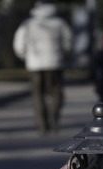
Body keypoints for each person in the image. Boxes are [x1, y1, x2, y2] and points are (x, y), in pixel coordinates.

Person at [13, 1, 73, 134]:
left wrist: (24, 56)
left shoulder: (28, 24)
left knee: (37, 94)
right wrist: (64, 55)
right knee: (56, 92)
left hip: (35, 64)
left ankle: (42, 124)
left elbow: (19, 42)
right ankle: (54, 119)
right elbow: (68, 42)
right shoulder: (60, 23)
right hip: (55, 63)